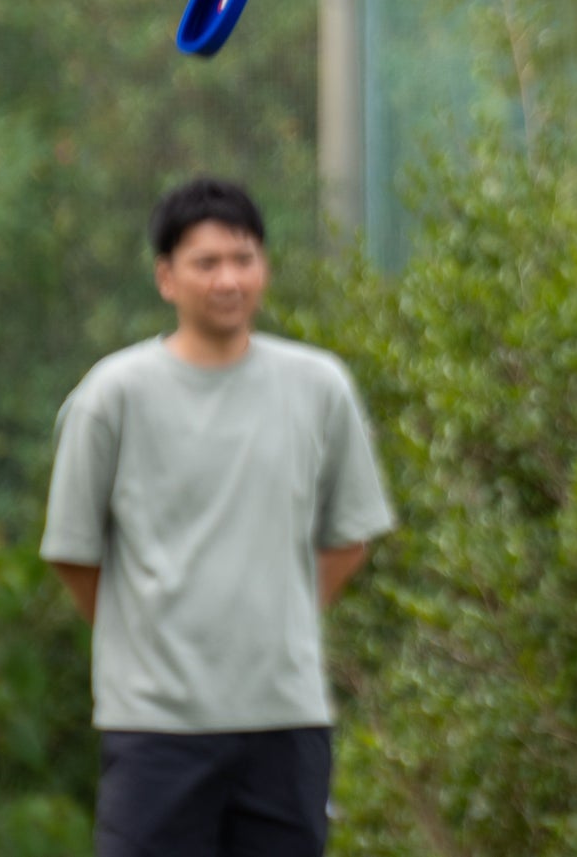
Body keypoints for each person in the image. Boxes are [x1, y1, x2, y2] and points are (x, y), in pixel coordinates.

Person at [41, 179, 394, 856]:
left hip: (286, 721)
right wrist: (149, 631)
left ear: (264, 266)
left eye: (243, 257)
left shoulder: (320, 385)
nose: (228, 278)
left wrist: (274, 620)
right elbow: (73, 551)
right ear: (166, 277)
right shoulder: (112, 394)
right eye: (206, 262)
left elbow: (350, 534)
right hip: (154, 729)